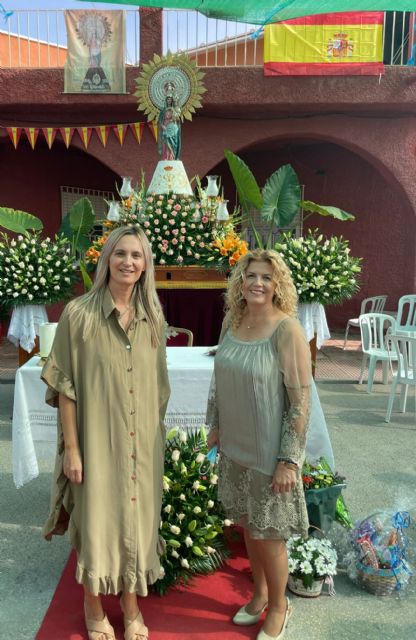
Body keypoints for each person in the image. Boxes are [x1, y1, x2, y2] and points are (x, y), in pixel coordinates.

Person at [41, 225, 170, 640]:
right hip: (96, 441)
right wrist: (73, 450)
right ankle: (93, 604)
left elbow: (158, 386)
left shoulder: (153, 317)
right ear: (106, 259)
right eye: (120, 254)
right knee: (96, 521)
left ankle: (131, 607)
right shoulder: (78, 315)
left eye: (136, 255)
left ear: (145, 263)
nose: (128, 262)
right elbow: (65, 387)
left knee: (137, 522)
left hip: (142, 446)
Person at [207, 249, 312, 640]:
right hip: (235, 445)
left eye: (266, 278)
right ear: (240, 280)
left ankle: (281, 607)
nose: (257, 283)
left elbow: (300, 401)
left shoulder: (287, 330)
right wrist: (215, 426)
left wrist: (289, 459)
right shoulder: (231, 320)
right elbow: (219, 379)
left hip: (270, 451)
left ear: (277, 284)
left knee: (270, 535)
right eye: (251, 275)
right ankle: (260, 594)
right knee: (249, 525)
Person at [157, 95, 181, 161]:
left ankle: (172, 157)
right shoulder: (163, 110)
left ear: (172, 100)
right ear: (166, 101)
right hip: (165, 126)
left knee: (173, 142)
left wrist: (174, 118)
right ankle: (165, 157)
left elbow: (178, 119)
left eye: (170, 99)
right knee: (165, 141)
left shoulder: (175, 109)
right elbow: (160, 120)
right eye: (168, 99)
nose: (169, 101)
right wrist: (163, 126)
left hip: (173, 127)